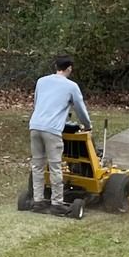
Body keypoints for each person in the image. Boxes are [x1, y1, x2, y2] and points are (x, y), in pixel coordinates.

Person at [29, 55, 90, 212]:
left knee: (37, 165)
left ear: (56, 67)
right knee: (55, 166)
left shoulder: (41, 81)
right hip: (52, 129)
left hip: (35, 125)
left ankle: (38, 201)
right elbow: (80, 108)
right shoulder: (71, 86)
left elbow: (36, 103)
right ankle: (57, 203)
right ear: (69, 68)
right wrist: (87, 125)